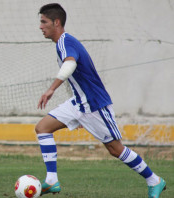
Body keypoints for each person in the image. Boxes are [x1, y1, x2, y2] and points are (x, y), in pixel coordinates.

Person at [35, 3, 166, 198]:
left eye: (44, 22)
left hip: (94, 104)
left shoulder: (65, 42)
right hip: (79, 103)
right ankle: (52, 180)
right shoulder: (63, 43)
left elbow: (70, 64)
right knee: (42, 128)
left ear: (56, 22)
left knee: (115, 149)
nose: (40, 27)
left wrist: (51, 89)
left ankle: (154, 180)